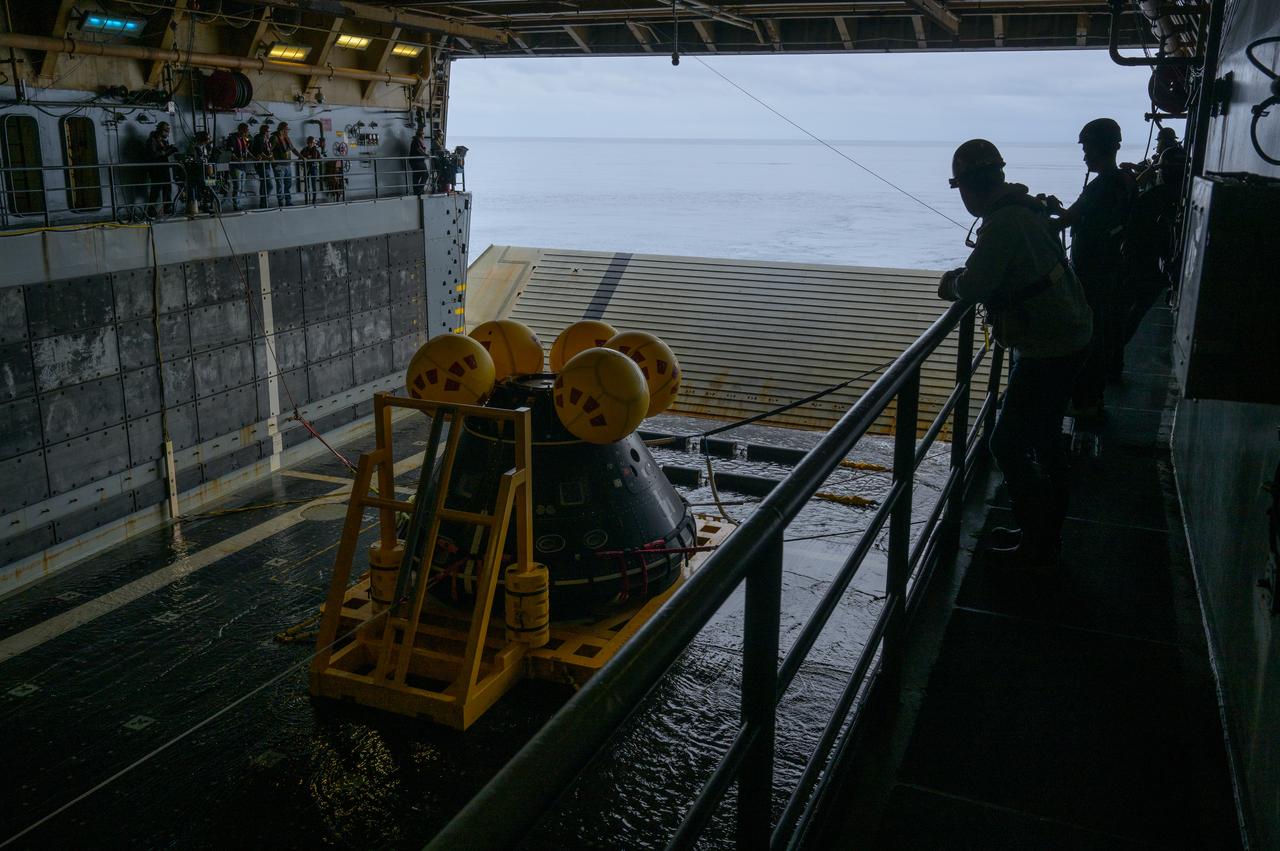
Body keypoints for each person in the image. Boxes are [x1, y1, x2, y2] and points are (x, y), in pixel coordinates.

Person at [936, 139, 1093, 573]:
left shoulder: (1004, 223)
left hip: (1051, 345)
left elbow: (974, 285)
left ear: (970, 186)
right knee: (1043, 439)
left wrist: (951, 283)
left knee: (1008, 442)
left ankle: (1040, 545)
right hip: (1065, 332)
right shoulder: (1025, 209)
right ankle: (1040, 534)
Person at [1043, 118, 1135, 412]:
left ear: (1099, 148)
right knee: (1105, 329)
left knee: (1088, 336)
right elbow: (1079, 216)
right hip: (1111, 268)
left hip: (1091, 273)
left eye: (1087, 149)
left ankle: (1087, 398)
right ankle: (1095, 390)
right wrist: (1059, 211)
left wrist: (1040, 214)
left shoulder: (1101, 186)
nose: (1084, 156)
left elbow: (1065, 222)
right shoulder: (1121, 181)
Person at [144, 121, 178, 218]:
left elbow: (163, 150)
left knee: (167, 187)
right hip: (156, 169)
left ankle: (167, 207)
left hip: (164, 167)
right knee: (156, 189)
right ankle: (150, 209)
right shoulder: (152, 141)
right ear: (160, 130)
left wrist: (170, 148)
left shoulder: (163, 141)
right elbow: (154, 155)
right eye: (166, 131)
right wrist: (168, 151)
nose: (167, 133)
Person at [270, 122, 299, 207]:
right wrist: (272, 160)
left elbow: (293, 149)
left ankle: (288, 201)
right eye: (287, 129)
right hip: (279, 165)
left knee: (288, 184)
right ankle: (281, 202)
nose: (288, 131)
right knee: (280, 185)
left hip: (287, 165)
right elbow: (269, 150)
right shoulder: (274, 138)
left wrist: (301, 156)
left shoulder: (287, 138)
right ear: (282, 129)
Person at [224, 122, 251, 210]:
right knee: (237, 186)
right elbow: (230, 152)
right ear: (242, 130)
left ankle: (238, 203)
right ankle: (236, 205)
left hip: (243, 166)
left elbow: (246, 151)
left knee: (241, 186)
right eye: (246, 130)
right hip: (235, 166)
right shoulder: (232, 139)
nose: (247, 132)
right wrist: (237, 160)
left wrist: (254, 157)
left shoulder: (244, 139)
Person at [250, 123, 273, 209]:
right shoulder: (259, 138)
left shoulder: (266, 139)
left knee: (265, 184)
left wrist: (270, 156)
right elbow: (259, 151)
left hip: (266, 165)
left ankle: (264, 202)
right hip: (261, 165)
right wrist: (267, 157)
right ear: (264, 131)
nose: (269, 133)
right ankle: (264, 202)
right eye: (268, 131)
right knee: (268, 185)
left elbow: (268, 150)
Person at [299, 135, 322, 204]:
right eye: (309, 143)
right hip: (307, 168)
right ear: (307, 143)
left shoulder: (316, 151)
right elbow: (300, 158)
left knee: (313, 185)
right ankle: (307, 199)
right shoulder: (304, 150)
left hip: (313, 168)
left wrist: (309, 158)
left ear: (313, 143)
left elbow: (319, 159)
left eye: (312, 143)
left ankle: (314, 200)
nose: (310, 144)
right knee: (307, 185)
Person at [409, 128, 429, 196]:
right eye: (423, 134)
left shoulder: (417, 140)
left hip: (416, 161)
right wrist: (425, 155)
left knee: (417, 176)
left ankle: (417, 191)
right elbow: (419, 149)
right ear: (421, 135)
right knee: (425, 174)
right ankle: (419, 190)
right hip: (417, 161)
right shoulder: (417, 140)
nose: (424, 136)